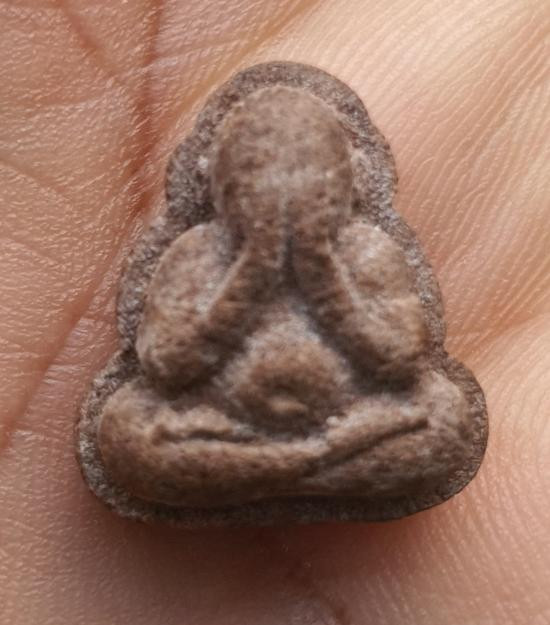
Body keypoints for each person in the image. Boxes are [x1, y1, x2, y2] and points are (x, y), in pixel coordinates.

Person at [1, 2, 548, 623]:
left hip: (350, 421)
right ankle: (308, 464)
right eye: (257, 176)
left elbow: (399, 362)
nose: (285, 195)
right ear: (212, 179)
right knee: (129, 427)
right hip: (228, 420)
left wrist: (321, 270)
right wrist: (251, 270)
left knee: (443, 416)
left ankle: (279, 465)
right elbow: (168, 367)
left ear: (352, 177)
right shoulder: (198, 252)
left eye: (311, 178)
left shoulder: (366, 251)